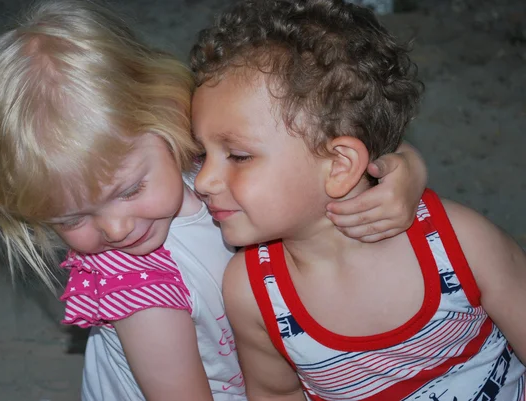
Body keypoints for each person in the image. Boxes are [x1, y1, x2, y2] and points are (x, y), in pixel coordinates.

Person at [0, 0, 427, 400]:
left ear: (166, 118)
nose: (116, 230)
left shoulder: (206, 156)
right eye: (72, 217)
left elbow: (319, 157)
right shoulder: (140, 293)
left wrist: (404, 168)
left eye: (130, 190)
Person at [191, 0, 526, 400]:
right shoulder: (252, 291)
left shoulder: (460, 243)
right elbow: (276, 394)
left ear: (339, 166)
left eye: (238, 156)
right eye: (202, 154)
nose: (204, 181)